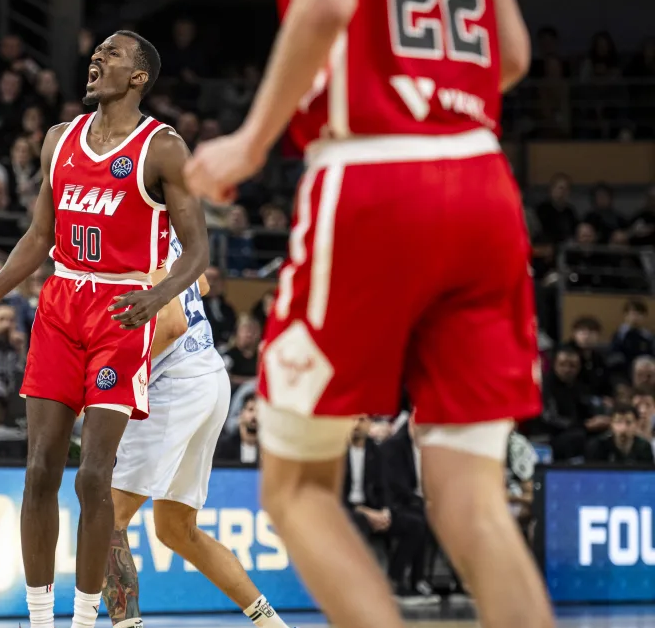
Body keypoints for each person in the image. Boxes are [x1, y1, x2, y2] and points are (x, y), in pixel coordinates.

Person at [183, 0, 552, 626]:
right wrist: (438, 93)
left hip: (373, 174)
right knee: (473, 502)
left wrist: (252, 142)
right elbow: (512, 55)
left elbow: (325, 10)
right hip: (483, 178)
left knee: (297, 485)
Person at [0, 30, 208, 628]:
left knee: (94, 475)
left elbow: (197, 249)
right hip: (61, 303)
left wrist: (159, 294)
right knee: (40, 467)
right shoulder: (58, 140)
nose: (96, 60)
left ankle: (85, 617)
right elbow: (40, 236)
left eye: (112, 55)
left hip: (122, 311)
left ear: (140, 75)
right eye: (96, 54)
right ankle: (40, 618)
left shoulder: (163, 147)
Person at [105, 235, 290, 628]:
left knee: (105, 517)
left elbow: (170, 325)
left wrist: (105, 367)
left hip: (177, 384)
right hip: (207, 374)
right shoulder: (163, 232)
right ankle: (273, 624)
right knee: (177, 530)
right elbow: (201, 285)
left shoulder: (131, 237)